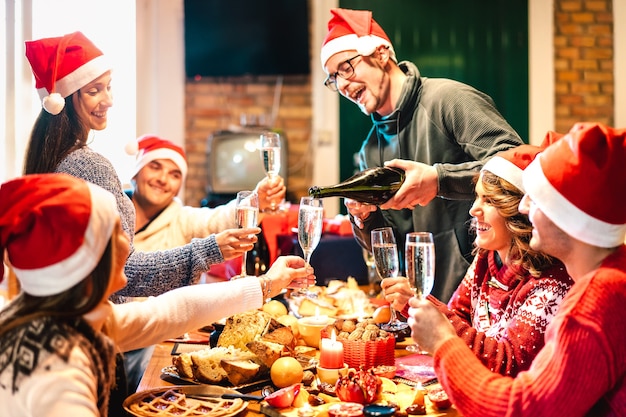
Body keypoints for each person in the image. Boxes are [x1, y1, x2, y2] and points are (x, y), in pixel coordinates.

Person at [0, 173, 315, 417]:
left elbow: (171, 311)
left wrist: (267, 284)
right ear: (84, 262)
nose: (128, 246)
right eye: (115, 236)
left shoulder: (61, 317)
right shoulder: (58, 362)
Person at [408, 122, 626, 416]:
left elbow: (523, 409)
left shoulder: (596, 304)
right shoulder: (609, 277)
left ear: (566, 216)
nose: (522, 208)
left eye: (535, 199)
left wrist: (444, 341)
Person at [22, 31, 253, 299]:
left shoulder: (49, 159)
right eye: (94, 91)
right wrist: (211, 250)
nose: (108, 100)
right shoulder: (88, 167)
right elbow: (125, 273)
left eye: (108, 87)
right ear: (64, 100)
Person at [320, 8, 524, 302]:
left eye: (346, 68)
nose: (342, 85)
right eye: (333, 78)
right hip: (423, 308)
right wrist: (365, 219)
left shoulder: (448, 100)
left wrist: (438, 181)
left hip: (484, 299)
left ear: (380, 54)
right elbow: (385, 241)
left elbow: (517, 166)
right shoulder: (370, 150)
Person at [382, 140, 573, 376]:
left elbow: (510, 363)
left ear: (518, 211)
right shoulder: (488, 256)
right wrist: (416, 306)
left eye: (489, 201)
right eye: (477, 197)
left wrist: (432, 314)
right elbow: (459, 314)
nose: (474, 209)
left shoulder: (553, 281)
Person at [125, 134, 285, 252]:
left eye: (174, 175)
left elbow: (217, 220)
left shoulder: (182, 220)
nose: (163, 179)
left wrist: (256, 203)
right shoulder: (109, 209)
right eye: (155, 167)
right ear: (135, 173)